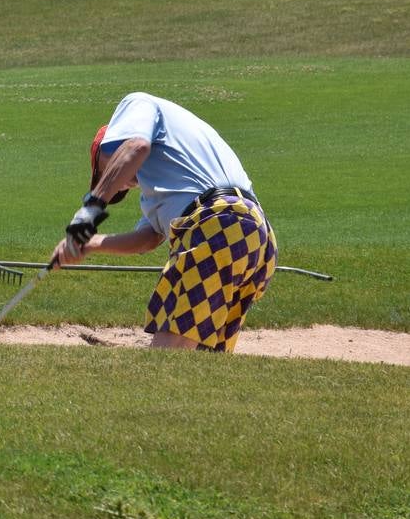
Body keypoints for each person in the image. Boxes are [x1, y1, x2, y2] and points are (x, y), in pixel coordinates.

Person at [50, 92, 278, 353]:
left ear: (109, 144)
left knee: (167, 355)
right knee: (206, 365)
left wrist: (88, 213)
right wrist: (90, 244)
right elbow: (148, 239)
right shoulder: (164, 184)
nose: (122, 183)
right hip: (253, 237)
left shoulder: (136, 104)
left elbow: (135, 147)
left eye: (104, 170)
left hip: (218, 225)